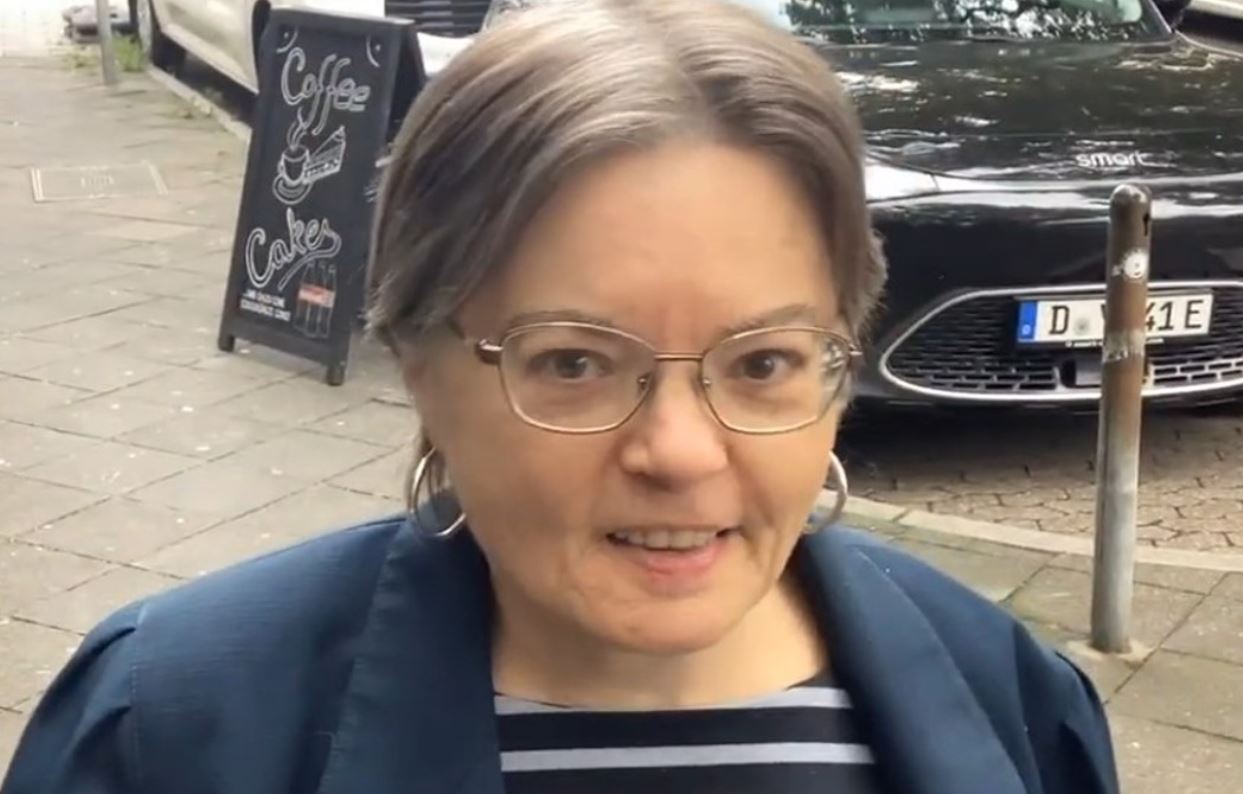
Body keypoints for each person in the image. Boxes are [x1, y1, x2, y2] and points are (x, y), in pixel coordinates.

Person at [1, 1, 1120, 792]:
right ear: (422, 366)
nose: (680, 451)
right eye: (574, 362)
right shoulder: (166, 728)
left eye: (762, 362)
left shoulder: (1011, 701)